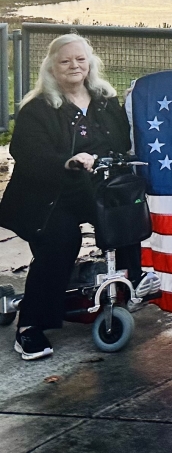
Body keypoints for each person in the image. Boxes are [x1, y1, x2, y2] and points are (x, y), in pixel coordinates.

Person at [0, 35, 149, 360]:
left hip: (93, 189)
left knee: (125, 219)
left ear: (90, 62)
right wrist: (67, 162)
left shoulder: (105, 101)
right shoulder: (37, 107)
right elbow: (26, 152)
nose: (74, 66)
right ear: (52, 66)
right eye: (65, 60)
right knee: (60, 243)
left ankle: (127, 285)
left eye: (80, 59)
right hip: (46, 196)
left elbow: (122, 140)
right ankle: (29, 328)